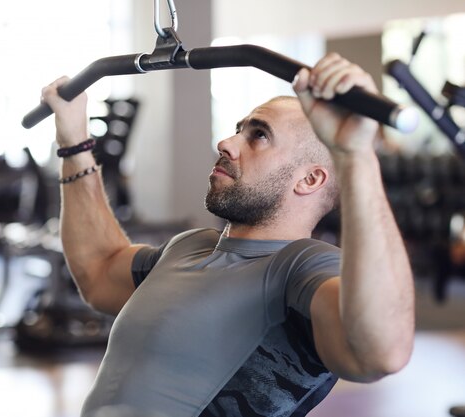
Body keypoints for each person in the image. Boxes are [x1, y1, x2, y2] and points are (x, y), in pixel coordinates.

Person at [40, 53, 415, 417]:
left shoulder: (301, 268)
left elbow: (382, 352)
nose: (227, 143)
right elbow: (98, 270)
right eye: (239, 129)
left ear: (310, 179)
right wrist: (74, 142)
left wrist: (355, 155)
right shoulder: (189, 246)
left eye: (259, 136)